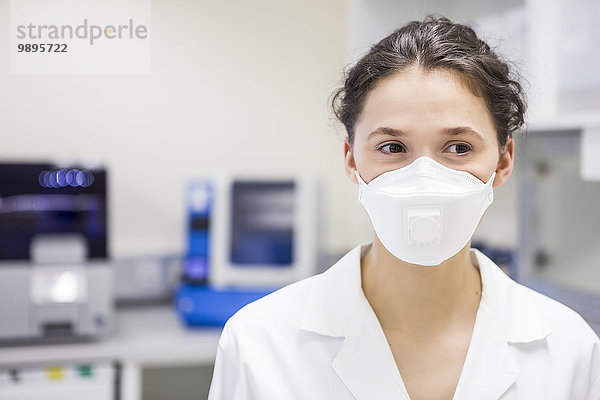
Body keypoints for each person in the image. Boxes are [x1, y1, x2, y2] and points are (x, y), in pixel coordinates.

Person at [207, 15, 600, 400]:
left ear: (502, 161)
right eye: (392, 148)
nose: (424, 178)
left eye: (459, 147)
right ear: (351, 160)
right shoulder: (259, 345)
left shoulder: (571, 352)